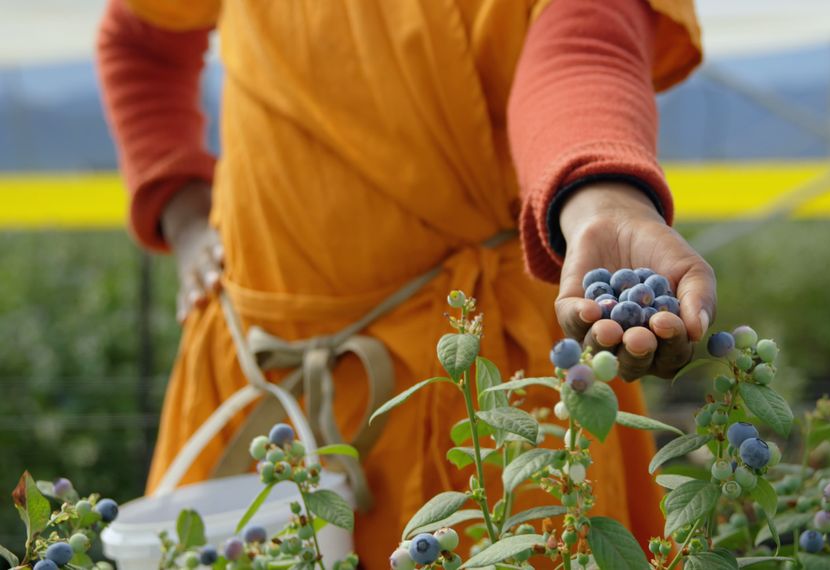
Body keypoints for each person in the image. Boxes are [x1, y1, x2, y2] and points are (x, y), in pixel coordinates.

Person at [97, 0, 715, 564]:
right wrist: (180, 206)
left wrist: (603, 199)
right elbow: (141, 37)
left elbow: (584, 44)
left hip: (483, 384)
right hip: (262, 379)